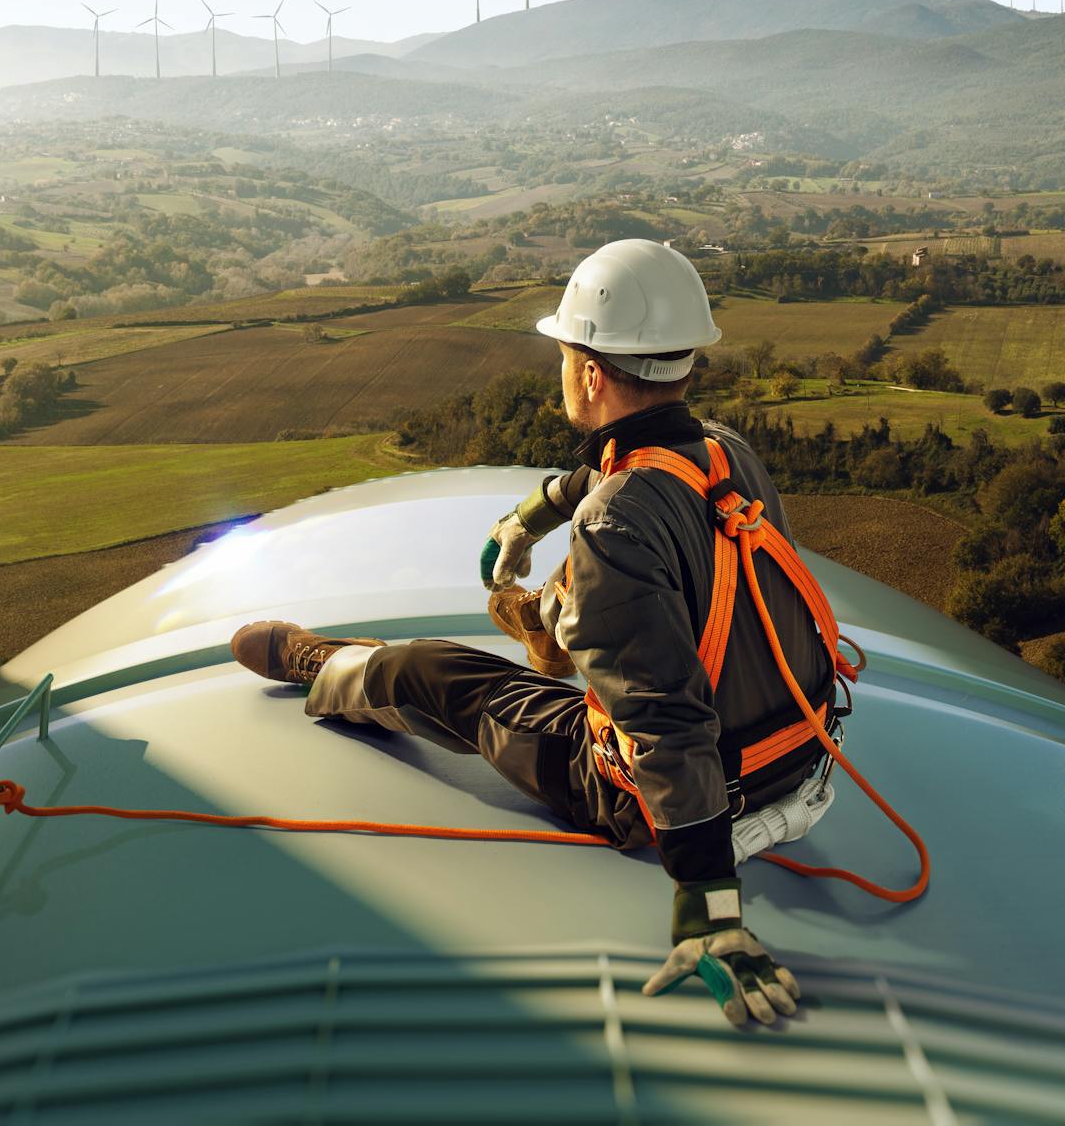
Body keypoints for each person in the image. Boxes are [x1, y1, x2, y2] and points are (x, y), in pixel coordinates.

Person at [227, 238, 844, 1030]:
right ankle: (551, 625)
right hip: (804, 764)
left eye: (564, 353)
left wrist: (710, 906)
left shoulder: (615, 524)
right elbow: (615, 475)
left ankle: (329, 666)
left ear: (589, 372)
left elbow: (666, 722)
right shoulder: (724, 451)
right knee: (601, 595)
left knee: (432, 671)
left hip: (684, 804)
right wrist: (533, 515)